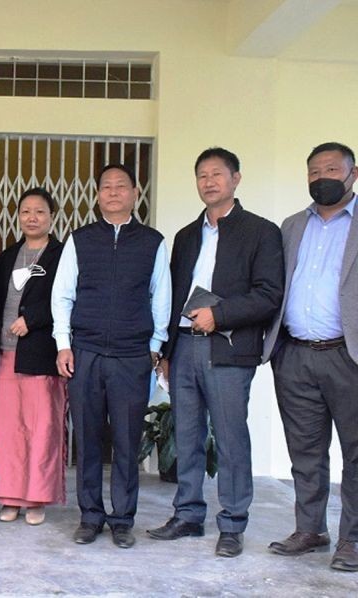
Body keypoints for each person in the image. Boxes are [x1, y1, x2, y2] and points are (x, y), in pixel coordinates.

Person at [147, 147, 284, 558]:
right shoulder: (187, 236)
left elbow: (269, 294)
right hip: (186, 347)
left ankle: (232, 522)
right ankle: (188, 514)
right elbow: (172, 297)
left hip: (228, 348)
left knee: (229, 437)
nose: (209, 182)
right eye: (202, 175)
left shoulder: (261, 231)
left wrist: (219, 315)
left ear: (236, 179)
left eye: (217, 174)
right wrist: (167, 350)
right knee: (186, 434)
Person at [52, 164, 171, 548]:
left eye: (122, 186)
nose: (114, 192)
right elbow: (63, 294)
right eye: (106, 187)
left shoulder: (152, 241)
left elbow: (161, 296)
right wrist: (62, 343)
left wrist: (155, 346)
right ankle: (90, 516)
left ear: (136, 193)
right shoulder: (80, 240)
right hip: (85, 353)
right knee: (86, 439)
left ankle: (122, 518)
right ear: (97, 194)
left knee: (126, 439)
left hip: (132, 355)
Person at [264, 141, 358, 572]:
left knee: (355, 452)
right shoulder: (290, 226)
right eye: (315, 170)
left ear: (352, 174)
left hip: (349, 356)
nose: (323, 177)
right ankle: (311, 528)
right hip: (295, 354)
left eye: (333, 169)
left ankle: (352, 540)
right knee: (305, 450)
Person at [0, 187, 66, 526]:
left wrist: (33, 318)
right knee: (9, 430)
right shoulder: (7, 257)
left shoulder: (62, 255)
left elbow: (67, 299)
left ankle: (36, 498)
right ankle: (10, 496)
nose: (32, 217)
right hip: (7, 354)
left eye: (39, 211)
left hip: (42, 355)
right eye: (25, 211)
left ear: (52, 216)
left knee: (41, 428)